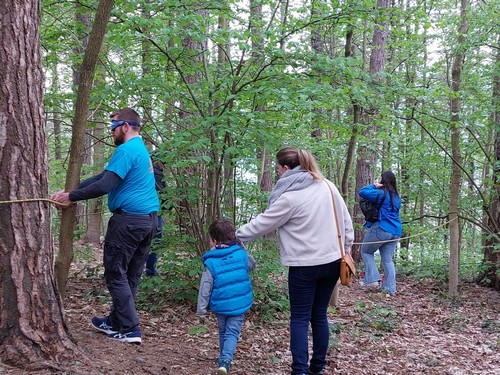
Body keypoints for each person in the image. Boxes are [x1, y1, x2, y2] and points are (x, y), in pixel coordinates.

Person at [236, 147, 354, 375]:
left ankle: (299, 370)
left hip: (304, 266)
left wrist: (235, 235)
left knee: (300, 318)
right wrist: (346, 249)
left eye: (278, 169)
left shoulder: (290, 197)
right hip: (333, 261)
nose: (278, 174)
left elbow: (262, 224)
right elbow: (346, 223)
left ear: (286, 168)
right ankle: (317, 367)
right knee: (319, 315)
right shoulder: (328, 186)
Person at [51, 107, 159, 344]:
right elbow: (102, 177)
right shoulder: (140, 150)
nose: (111, 133)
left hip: (129, 222)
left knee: (114, 272)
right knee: (130, 274)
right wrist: (72, 190)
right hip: (147, 221)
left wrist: (72, 197)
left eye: (113, 128)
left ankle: (130, 329)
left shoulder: (127, 149)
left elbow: (104, 186)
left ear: (126, 126)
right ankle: (117, 323)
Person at [197, 219, 256, 375]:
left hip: (221, 304)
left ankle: (223, 359)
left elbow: (205, 286)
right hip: (239, 303)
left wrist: (201, 308)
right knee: (232, 332)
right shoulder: (241, 254)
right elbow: (252, 265)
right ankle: (225, 360)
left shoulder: (211, 261)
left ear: (214, 241)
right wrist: (242, 246)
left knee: (223, 331)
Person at [358, 170, 402, 295]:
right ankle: (390, 288)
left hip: (382, 228)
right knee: (387, 260)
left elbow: (362, 192)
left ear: (383, 180)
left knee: (366, 252)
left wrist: (374, 185)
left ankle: (371, 280)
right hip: (395, 231)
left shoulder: (381, 194)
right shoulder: (397, 197)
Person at [145, 154, 166, 276]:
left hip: (145, 211)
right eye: (163, 162)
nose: (164, 166)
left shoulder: (146, 171)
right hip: (154, 212)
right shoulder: (157, 174)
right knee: (155, 241)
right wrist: (166, 206)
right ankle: (150, 270)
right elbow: (162, 194)